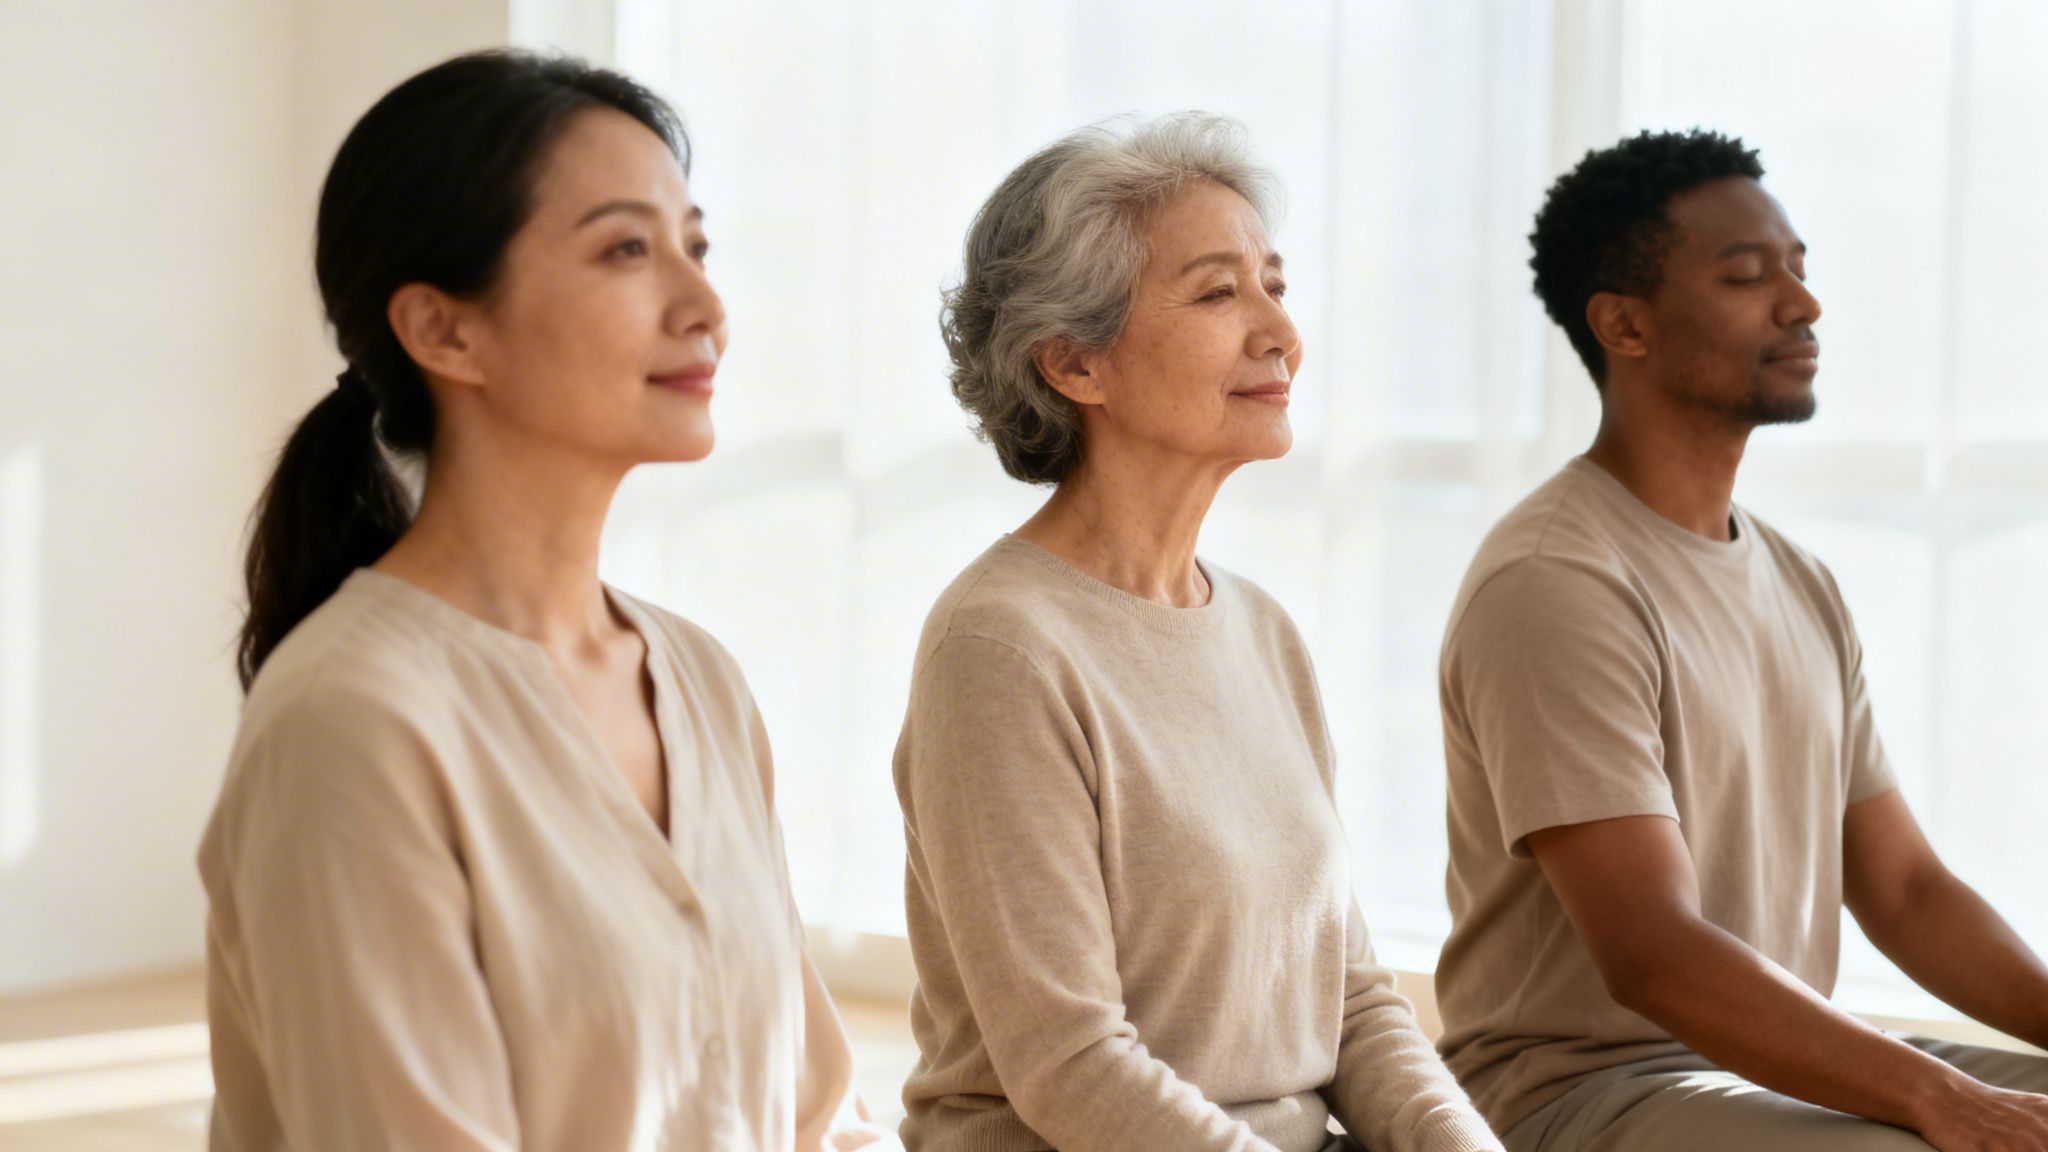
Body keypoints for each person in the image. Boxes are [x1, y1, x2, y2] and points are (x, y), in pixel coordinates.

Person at [199, 49, 887, 1151]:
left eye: (695, 247)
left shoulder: (700, 681)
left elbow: (812, 1115)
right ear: (443, 330)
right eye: (627, 249)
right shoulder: (351, 725)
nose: (705, 302)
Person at [891, 113, 1503, 1152]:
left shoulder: (1262, 633)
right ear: (1074, 364)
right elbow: (1072, 1066)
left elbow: (1349, 1001)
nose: (1279, 333)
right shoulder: (998, 649)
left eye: (1274, 285)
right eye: (1219, 293)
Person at [1434, 128, 2048, 1151]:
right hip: (1583, 1094)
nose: (1800, 304)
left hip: (1765, 1072)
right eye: (1745, 275)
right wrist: (1938, 1099)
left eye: (1798, 270)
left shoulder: (1798, 582)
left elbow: (1903, 889)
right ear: (1623, 326)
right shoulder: (1555, 581)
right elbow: (1654, 955)